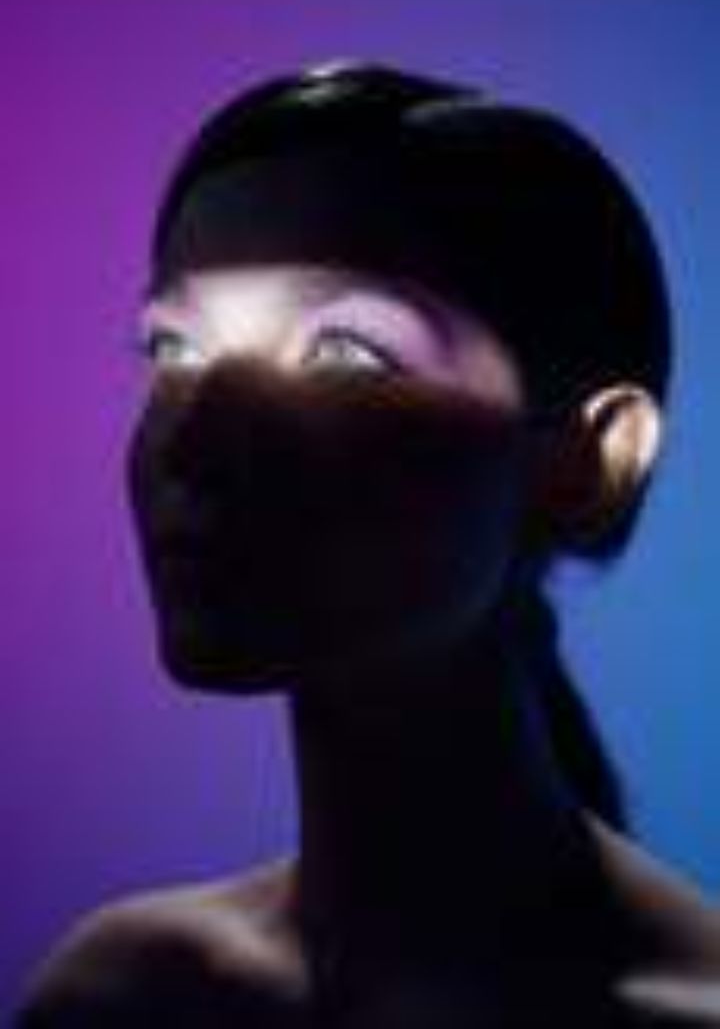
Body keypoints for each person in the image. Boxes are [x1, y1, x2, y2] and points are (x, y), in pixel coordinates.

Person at [18, 62, 720, 1025]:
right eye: (172, 349)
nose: (193, 441)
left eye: (344, 354)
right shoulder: (121, 998)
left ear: (589, 463)